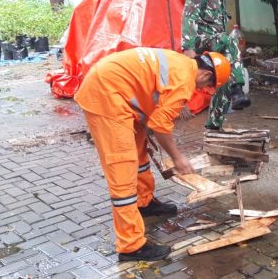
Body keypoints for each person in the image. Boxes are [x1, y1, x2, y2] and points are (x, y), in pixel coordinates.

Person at [74, 48, 231, 261]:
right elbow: (160, 126)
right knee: (123, 169)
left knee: (139, 151)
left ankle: (144, 202)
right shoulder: (185, 80)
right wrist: (178, 157)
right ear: (206, 75)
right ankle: (131, 246)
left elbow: (148, 92)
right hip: (106, 97)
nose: (201, 89)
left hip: (114, 89)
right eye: (207, 86)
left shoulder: (181, 62)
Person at [181, 0, 250, 130]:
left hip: (217, 45)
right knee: (230, 38)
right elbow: (189, 19)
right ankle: (237, 89)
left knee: (224, 76)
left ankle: (213, 125)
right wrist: (188, 49)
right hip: (201, 43)